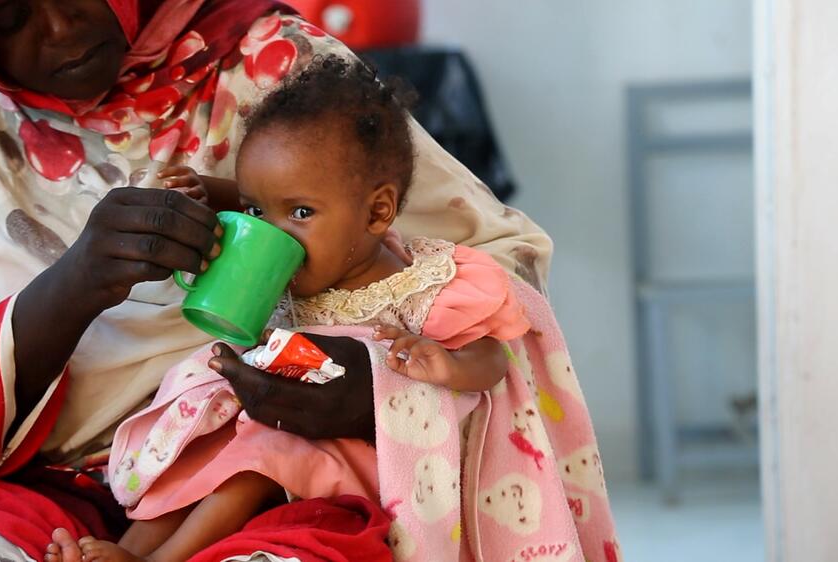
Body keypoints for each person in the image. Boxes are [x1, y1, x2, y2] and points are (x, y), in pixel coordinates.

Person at [0, 0, 591, 561]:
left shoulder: (278, 64)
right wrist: (75, 285)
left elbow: (502, 281)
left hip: (299, 479)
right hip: (51, 491)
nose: (60, 26)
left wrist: (379, 396)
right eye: (14, 15)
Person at [62, 55, 527, 562]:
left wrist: (447, 363)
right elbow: (266, 197)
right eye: (257, 211)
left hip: (354, 453)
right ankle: (122, 550)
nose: (271, 230)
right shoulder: (311, 257)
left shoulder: (417, 282)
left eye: (300, 213)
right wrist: (207, 194)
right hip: (280, 423)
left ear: (377, 212)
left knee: (256, 458)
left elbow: (494, 359)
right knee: (211, 454)